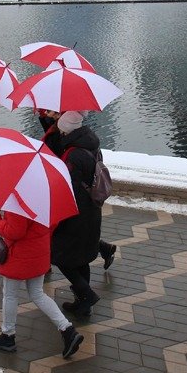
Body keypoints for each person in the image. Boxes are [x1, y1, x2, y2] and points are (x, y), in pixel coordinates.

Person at [0, 206, 83, 359]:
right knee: (38, 294)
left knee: (10, 295)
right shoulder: (44, 197)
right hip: (39, 252)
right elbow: (53, 224)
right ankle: (67, 330)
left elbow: (15, 231)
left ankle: (8, 336)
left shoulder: (18, 201)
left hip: (18, 256)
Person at [38, 109, 116, 270]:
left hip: (73, 197)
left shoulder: (74, 150)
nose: (48, 113)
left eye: (52, 112)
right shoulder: (84, 139)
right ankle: (104, 249)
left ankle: (49, 266)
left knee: (66, 235)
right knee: (79, 235)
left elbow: (56, 150)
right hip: (84, 202)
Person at [51, 112, 103, 317]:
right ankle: (83, 305)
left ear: (67, 130)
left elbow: (68, 188)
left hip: (76, 213)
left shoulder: (73, 154)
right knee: (82, 259)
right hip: (91, 211)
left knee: (61, 256)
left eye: (62, 129)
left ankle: (86, 294)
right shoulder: (92, 145)